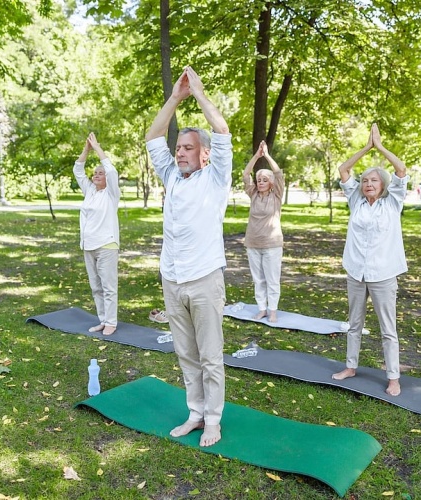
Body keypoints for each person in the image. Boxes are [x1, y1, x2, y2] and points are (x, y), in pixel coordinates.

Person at [145, 66, 232, 447]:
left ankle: (213, 419)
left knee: (211, 356)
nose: (180, 152)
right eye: (178, 147)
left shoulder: (215, 179)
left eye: (187, 148)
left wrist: (197, 93)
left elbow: (223, 131)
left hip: (204, 279)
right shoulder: (171, 177)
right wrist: (175, 98)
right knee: (185, 353)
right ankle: (195, 412)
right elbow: (152, 137)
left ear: (204, 155)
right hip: (172, 278)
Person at [331, 123, 409, 397]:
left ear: (383, 185)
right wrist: (366, 147)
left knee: (388, 329)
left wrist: (381, 147)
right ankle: (350, 367)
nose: (367, 184)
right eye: (365, 180)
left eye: (373, 180)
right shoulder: (356, 200)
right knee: (354, 323)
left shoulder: (393, 202)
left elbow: (401, 170)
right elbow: (343, 170)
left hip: (383, 273)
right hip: (356, 271)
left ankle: (393, 377)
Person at [73, 132, 121, 336]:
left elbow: (111, 170)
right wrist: (87, 149)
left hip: (106, 245)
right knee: (96, 287)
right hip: (89, 245)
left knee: (108, 287)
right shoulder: (90, 191)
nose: (96, 175)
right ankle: (103, 320)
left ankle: (111, 322)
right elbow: (78, 169)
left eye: (100, 173)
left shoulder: (111, 194)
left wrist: (98, 147)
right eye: (95, 173)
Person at [242, 140, 285, 323]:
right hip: (253, 242)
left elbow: (278, 173)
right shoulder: (253, 194)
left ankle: (272, 310)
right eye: (259, 179)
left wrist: (266, 155)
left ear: (271, 183)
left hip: (272, 243)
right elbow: (245, 174)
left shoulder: (276, 195)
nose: (260, 182)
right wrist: (256, 156)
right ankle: (261, 308)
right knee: (258, 279)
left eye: (264, 180)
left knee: (272, 279)